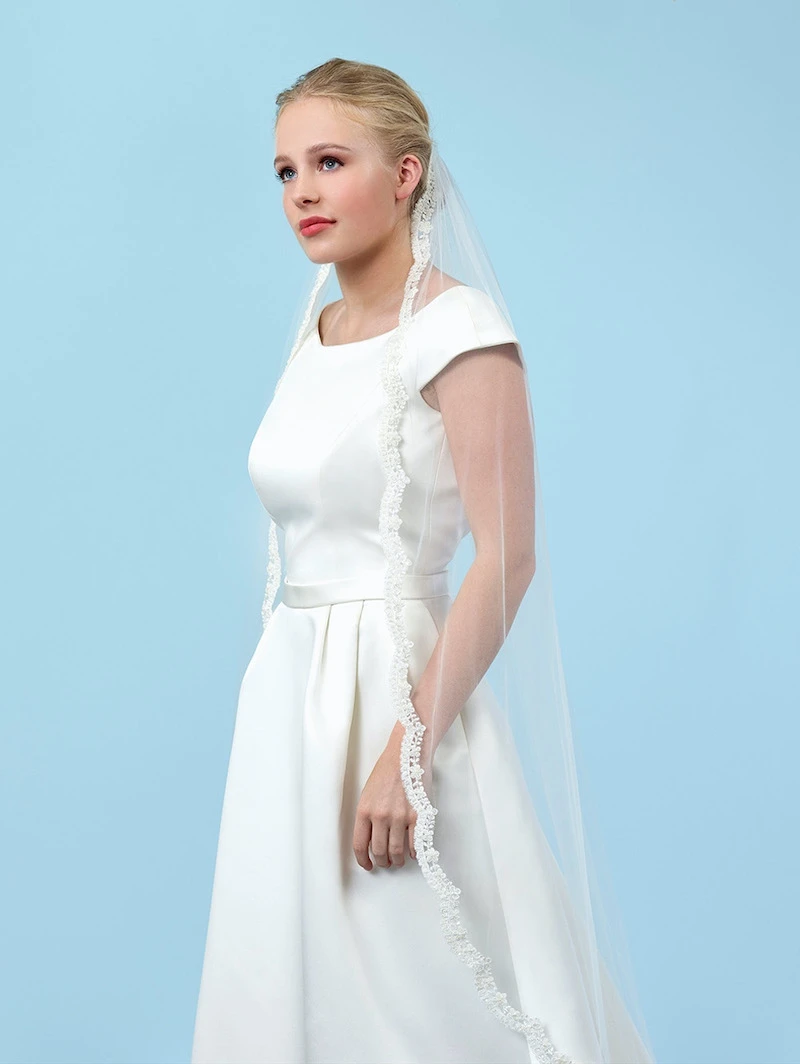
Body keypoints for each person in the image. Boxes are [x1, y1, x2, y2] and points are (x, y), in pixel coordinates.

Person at [191, 58, 656, 1064]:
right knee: (296, 991)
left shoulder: (460, 333)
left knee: (428, 990)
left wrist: (407, 749)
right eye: (285, 171)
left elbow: (508, 556)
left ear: (405, 175)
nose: (302, 192)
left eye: (329, 162)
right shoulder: (317, 332)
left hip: (401, 693)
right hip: (291, 701)